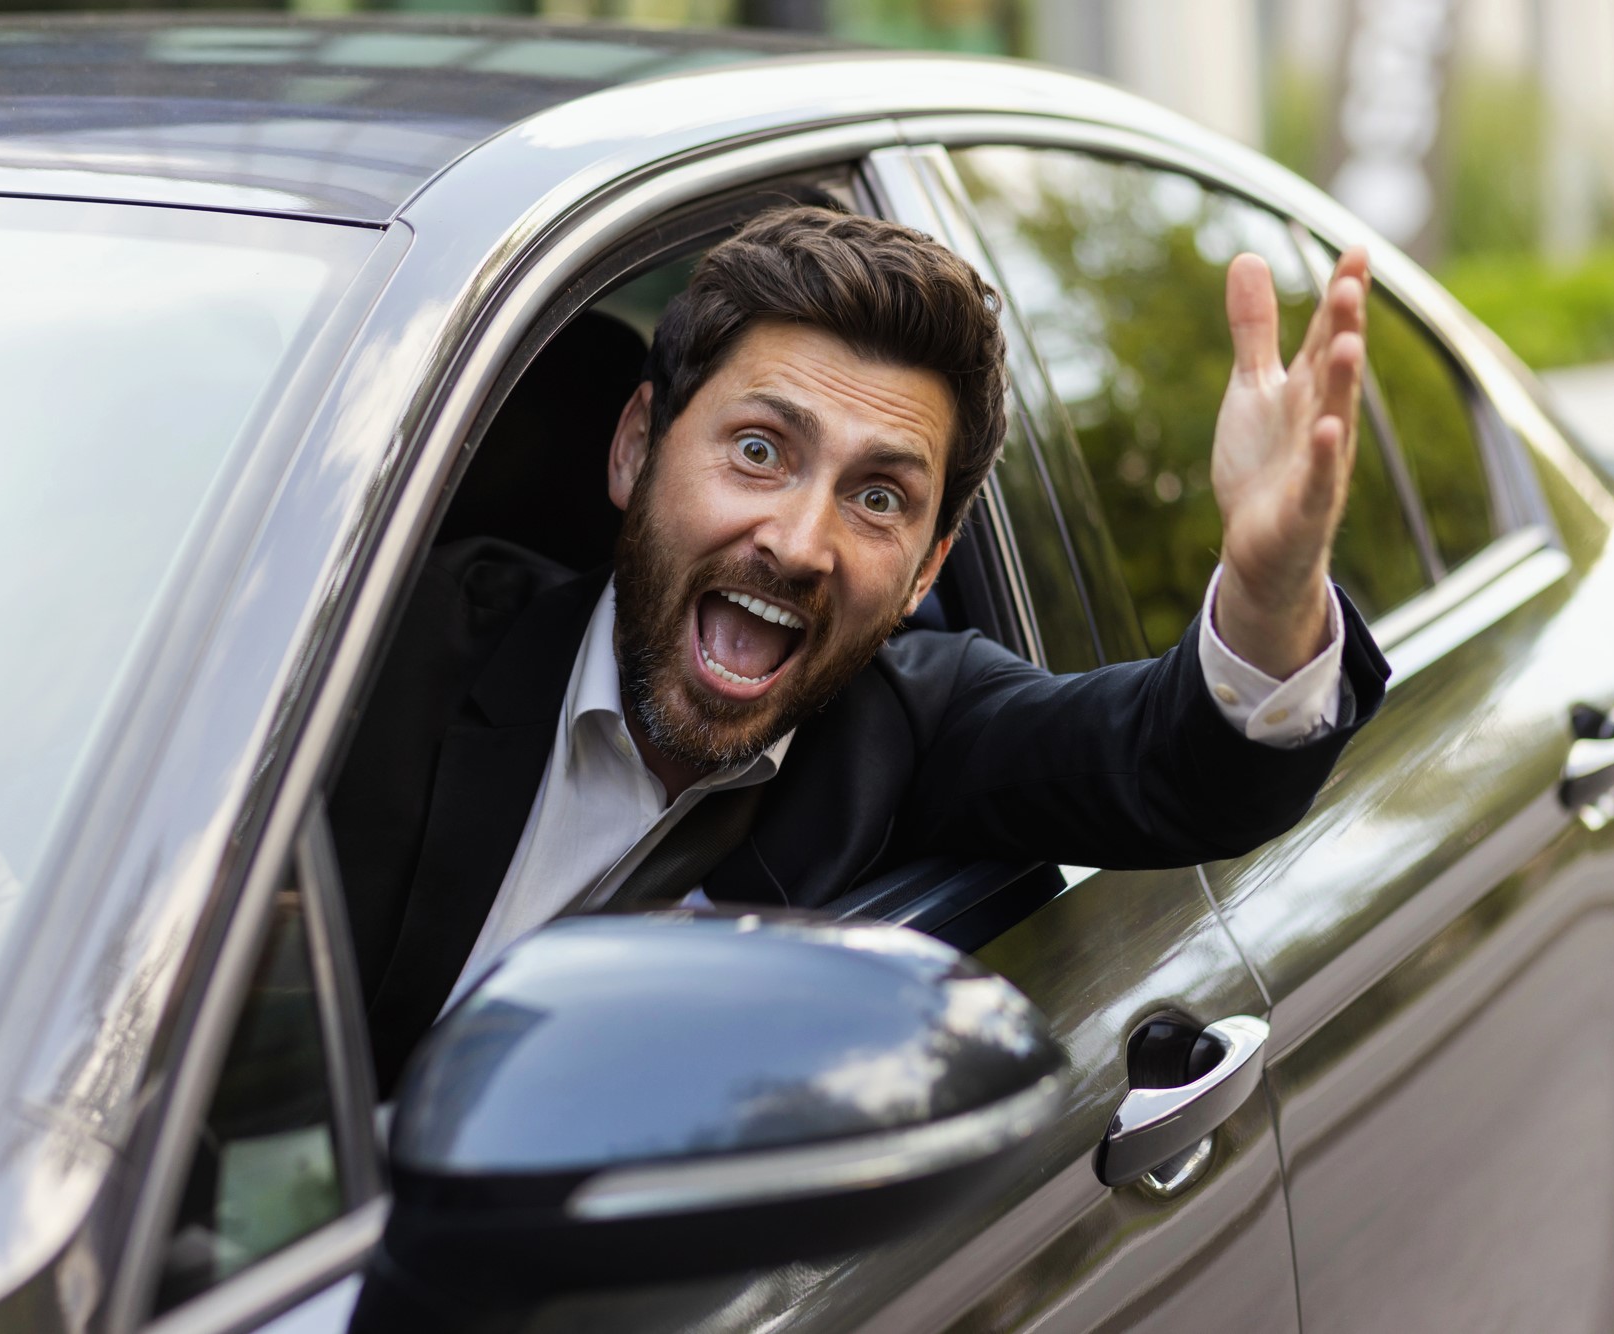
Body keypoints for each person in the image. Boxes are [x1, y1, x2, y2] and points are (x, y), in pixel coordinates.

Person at [331, 206, 1390, 1091]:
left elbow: (1181, 767)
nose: (798, 544)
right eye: (758, 451)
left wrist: (1266, 592)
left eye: (876, 496)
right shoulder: (371, 652)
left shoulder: (911, 732)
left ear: (926, 573)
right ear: (636, 447)